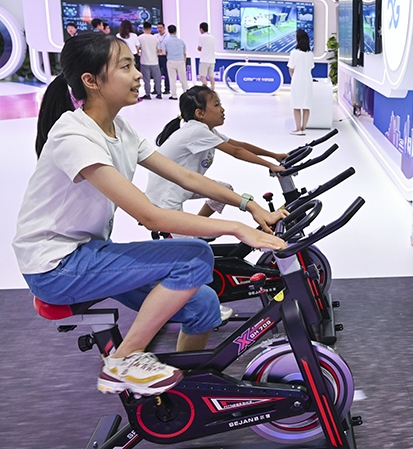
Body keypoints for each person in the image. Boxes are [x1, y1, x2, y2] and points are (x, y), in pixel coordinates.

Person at [13, 33, 288, 397]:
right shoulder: (73, 136)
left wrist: (248, 204)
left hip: (86, 253)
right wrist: (237, 228)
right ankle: (123, 361)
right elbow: (151, 216)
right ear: (91, 81)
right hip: (54, 266)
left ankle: (177, 397)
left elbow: (187, 177)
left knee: (204, 304)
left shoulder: (120, 130)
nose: (138, 73)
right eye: (125, 66)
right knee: (194, 256)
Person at [146, 85, 288, 231]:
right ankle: (193, 231)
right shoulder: (196, 130)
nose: (222, 109)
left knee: (225, 190)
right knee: (188, 243)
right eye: (216, 105)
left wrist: (274, 156)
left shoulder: (207, 130)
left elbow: (239, 145)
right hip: (166, 194)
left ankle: (197, 228)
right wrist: (270, 165)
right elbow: (236, 152)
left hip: (182, 185)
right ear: (200, 113)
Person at [288, 29, 314, 136]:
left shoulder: (294, 53)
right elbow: (311, 67)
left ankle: (298, 128)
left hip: (297, 80)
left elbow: (291, 68)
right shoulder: (310, 54)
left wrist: (293, 77)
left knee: (296, 105)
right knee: (306, 105)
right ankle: (303, 128)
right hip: (308, 80)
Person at [163, 24, 189, 100]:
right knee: (183, 79)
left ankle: (174, 95)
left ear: (168, 31)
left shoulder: (166, 41)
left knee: (172, 79)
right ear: (176, 31)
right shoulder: (181, 41)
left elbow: (164, 53)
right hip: (180, 61)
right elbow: (185, 53)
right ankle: (186, 93)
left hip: (171, 61)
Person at [138, 22, 162, 99]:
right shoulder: (156, 38)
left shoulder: (140, 38)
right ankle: (159, 93)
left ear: (143, 29)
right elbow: (159, 50)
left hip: (144, 61)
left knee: (146, 80)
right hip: (154, 61)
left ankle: (147, 94)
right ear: (151, 29)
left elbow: (138, 48)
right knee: (157, 78)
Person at [197, 22, 217, 91]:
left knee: (203, 76)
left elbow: (199, 48)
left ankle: (205, 89)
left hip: (204, 60)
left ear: (201, 29)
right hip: (212, 60)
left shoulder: (202, 37)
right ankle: (213, 88)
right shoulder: (213, 37)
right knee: (211, 76)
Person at [156, 22, 171, 98]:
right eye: (158, 28)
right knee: (156, 73)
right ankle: (156, 89)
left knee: (166, 73)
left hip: (166, 56)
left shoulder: (168, 37)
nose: (159, 29)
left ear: (164, 28)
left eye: (161, 28)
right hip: (157, 56)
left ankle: (167, 88)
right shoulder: (155, 36)